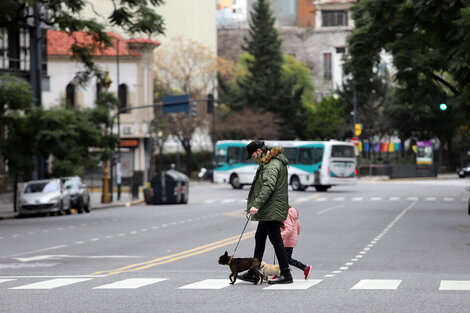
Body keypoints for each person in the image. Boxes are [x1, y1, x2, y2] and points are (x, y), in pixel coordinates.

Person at [237, 140, 293, 284]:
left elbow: (269, 186)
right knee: (260, 237)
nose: (254, 158)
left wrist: (256, 204)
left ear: (259, 151)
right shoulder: (269, 162)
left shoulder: (271, 165)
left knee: (276, 240)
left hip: (271, 208)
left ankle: (286, 274)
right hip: (269, 207)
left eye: (254, 154)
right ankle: (254, 273)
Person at [280, 206, 311, 280]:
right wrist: (295, 236)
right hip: (291, 239)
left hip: (287, 240)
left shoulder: (286, 215)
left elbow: (289, 228)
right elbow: (298, 226)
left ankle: (305, 267)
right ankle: (280, 273)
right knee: (283, 258)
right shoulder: (293, 215)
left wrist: (280, 237)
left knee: (286, 259)